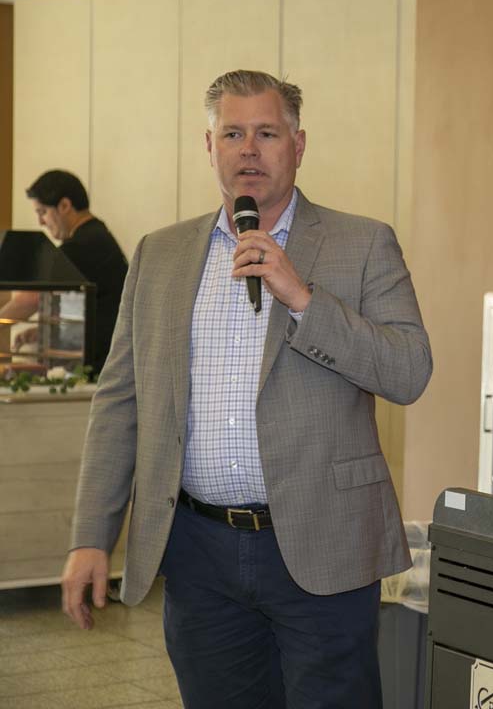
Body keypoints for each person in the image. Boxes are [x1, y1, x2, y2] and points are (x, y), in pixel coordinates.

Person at [60, 70, 433, 708]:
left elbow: (408, 371)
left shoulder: (363, 243)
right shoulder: (160, 254)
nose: (249, 150)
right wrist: (91, 535)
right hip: (199, 554)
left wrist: (304, 299)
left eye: (267, 132)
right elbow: (120, 403)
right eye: (232, 133)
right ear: (209, 146)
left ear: (298, 143)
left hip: (322, 548)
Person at [0, 170, 129, 375]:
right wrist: (48, 332)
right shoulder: (95, 236)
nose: (41, 222)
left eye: (42, 212)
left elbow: (29, 299)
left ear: (65, 206)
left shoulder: (82, 245)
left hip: (101, 367)